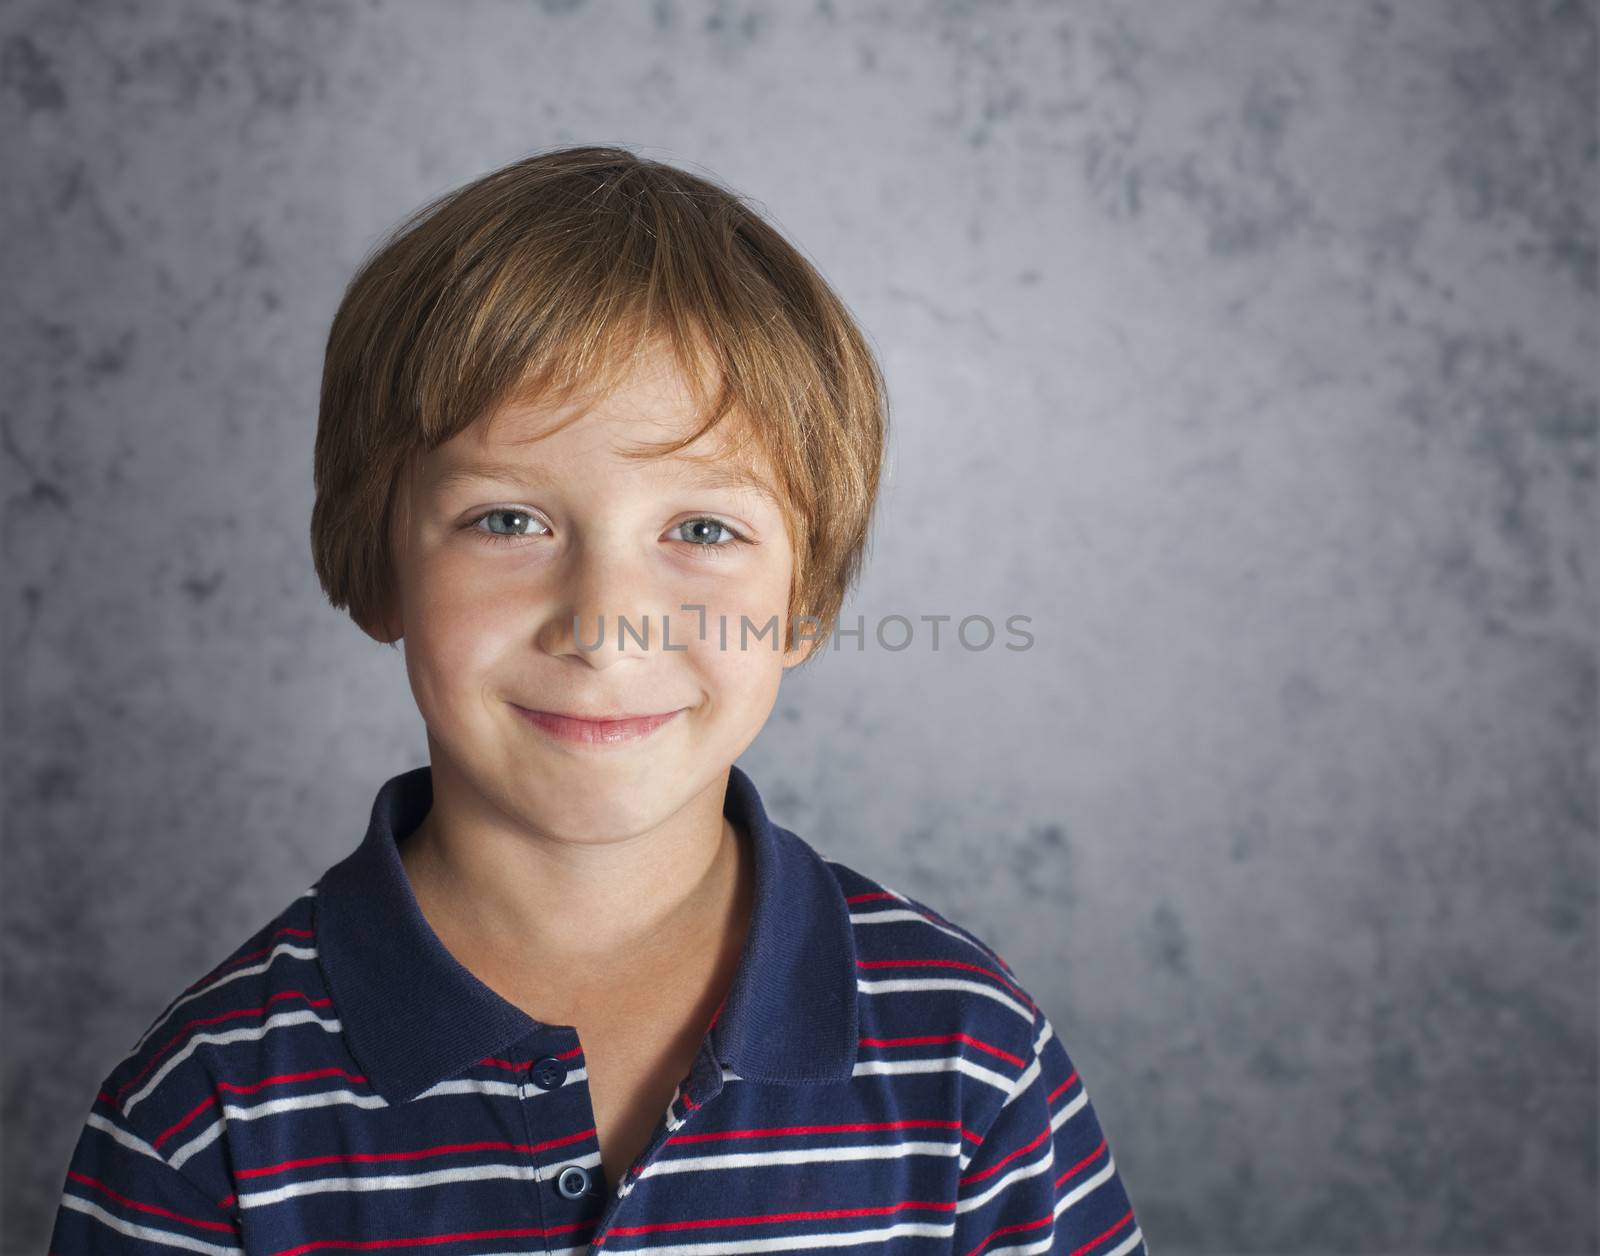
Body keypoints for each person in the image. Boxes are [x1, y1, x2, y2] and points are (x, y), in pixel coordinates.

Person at [49, 146, 1149, 1254]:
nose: (603, 624)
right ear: (378, 564)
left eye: (702, 529)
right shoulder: (199, 1111)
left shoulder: (970, 1052)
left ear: (804, 599)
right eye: (507, 520)